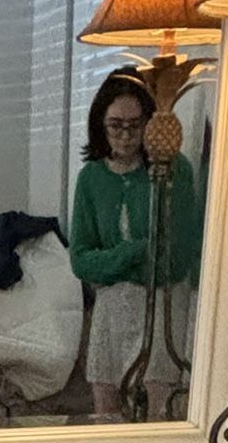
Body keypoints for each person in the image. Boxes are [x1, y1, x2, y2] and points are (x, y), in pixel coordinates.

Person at [68, 71, 201, 420]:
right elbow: (81, 261)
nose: (125, 136)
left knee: (158, 415)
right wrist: (135, 251)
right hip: (110, 313)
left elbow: (176, 258)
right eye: (115, 126)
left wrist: (111, 267)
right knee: (106, 415)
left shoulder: (174, 171)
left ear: (149, 124)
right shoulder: (91, 177)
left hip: (161, 307)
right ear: (100, 125)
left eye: (134, 125)